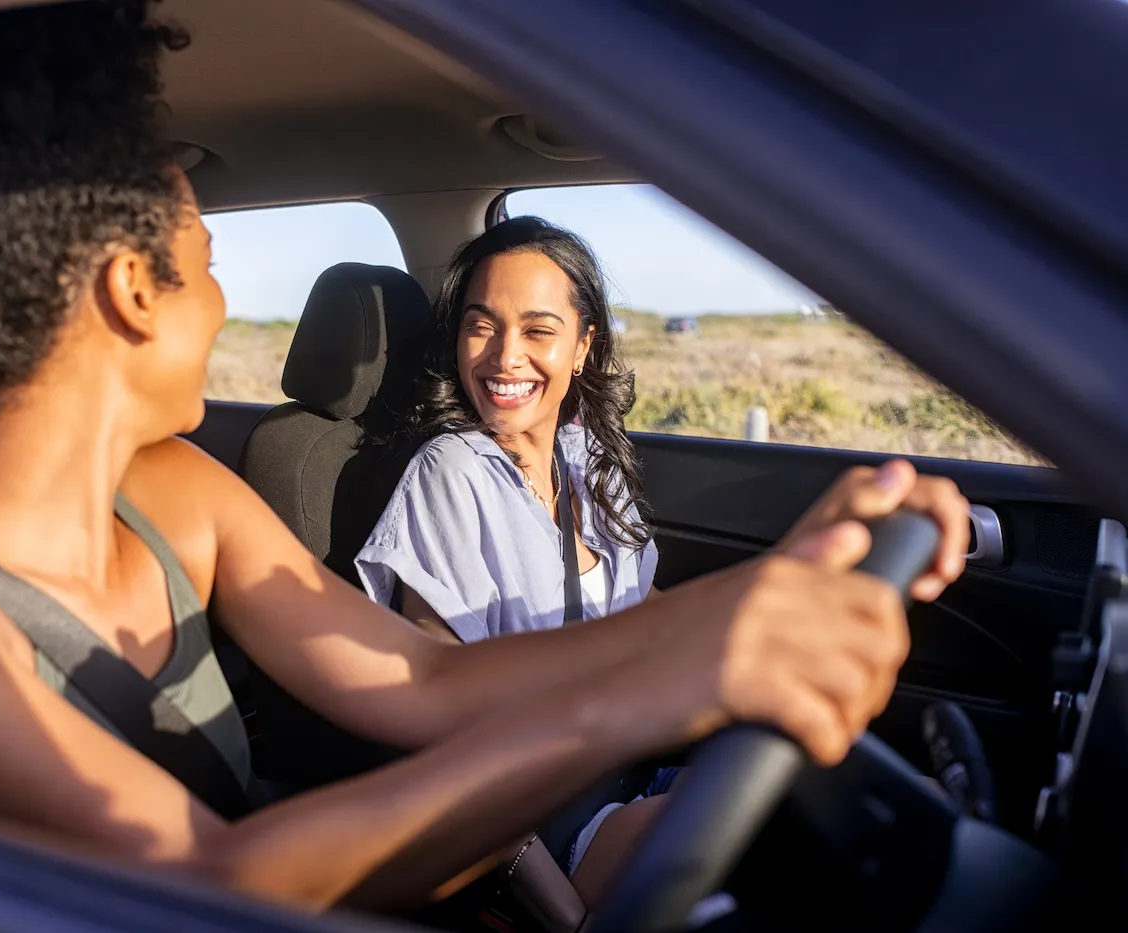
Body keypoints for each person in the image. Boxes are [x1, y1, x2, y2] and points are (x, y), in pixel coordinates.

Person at [0, 0, 969, 916]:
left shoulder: (172, 492)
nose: (220, 306)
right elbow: (204, 888)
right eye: (206, 264)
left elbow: (423, 682)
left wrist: (766, 591)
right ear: (128, 293)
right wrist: (628, 706)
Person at [355, 217, 969, 904]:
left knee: (909, 806)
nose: (504, 357)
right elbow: (439, 724)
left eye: (537, 330)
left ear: (583, 345)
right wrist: (551, 906)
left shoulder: (586, 457)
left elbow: (642, 613)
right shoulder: (448, 473)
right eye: (481, 325)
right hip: (550, 820)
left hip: (644, 762)